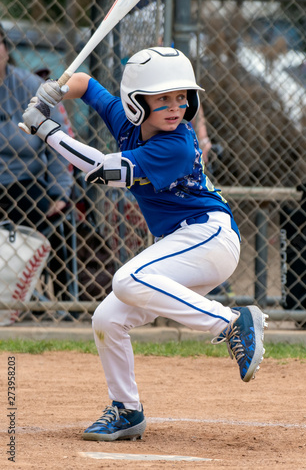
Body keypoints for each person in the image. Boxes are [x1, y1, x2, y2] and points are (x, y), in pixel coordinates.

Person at [22, 46, 268, 441]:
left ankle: (229, 322)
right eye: (162, 99)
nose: (175, 107)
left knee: (127, 278)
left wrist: (47, 129)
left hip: (209, 236)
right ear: (136, 104)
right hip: (184, 242)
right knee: (108, 319)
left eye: (181, 97)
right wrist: (54, 90)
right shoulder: (125, 121)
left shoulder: (177, 145)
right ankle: (127, 411)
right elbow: (86, 84)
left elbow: (103, 170)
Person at [0, 24, 74, 307]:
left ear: (6, 49)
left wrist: (59, 190)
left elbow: (57, 139)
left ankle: (68, 302)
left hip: (25, 181)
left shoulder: (29, 86)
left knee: (55, 222)